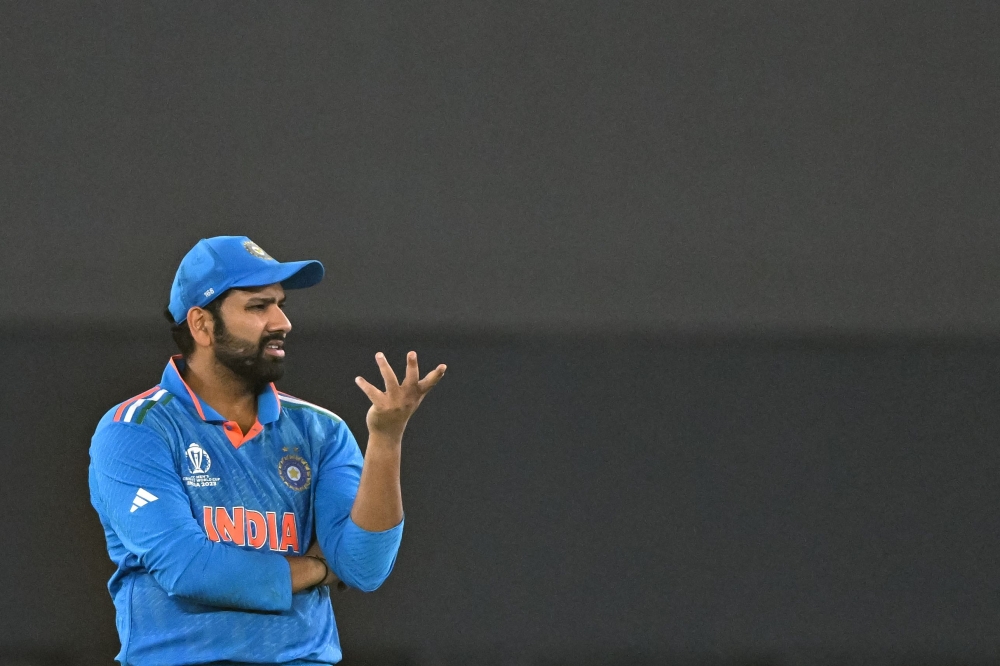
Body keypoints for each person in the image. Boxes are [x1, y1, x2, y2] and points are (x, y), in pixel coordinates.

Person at [88, 236, 446, 665]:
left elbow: (364, 567)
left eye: (281, 304)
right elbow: (189, 569)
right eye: (258, 307)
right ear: (201, 324)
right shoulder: (136, 428)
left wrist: (386, 439)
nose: (282, 322)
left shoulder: (320, 430)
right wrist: (317, 569)